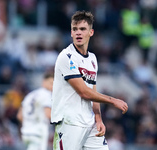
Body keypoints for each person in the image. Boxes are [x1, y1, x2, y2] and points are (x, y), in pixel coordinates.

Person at [51, 10, 128, 150]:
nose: (78, 32)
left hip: (90, 122)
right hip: (70, 123)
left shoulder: (92, 58)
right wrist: (113, 100)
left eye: (82, 29)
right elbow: (84, 92)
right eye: (75, 29)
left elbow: (93, 91)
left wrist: (98, 118)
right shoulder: (67, 57)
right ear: (71, 33)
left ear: (91, 32)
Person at [17, 72, 54, 150]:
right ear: (44, 82)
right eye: (50, 82)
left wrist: (29, 123)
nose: (52, 85)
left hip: (26, 132)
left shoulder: (30, 95)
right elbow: (48, 114)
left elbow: (19, 116)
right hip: (38, 132)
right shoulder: (47, 94)